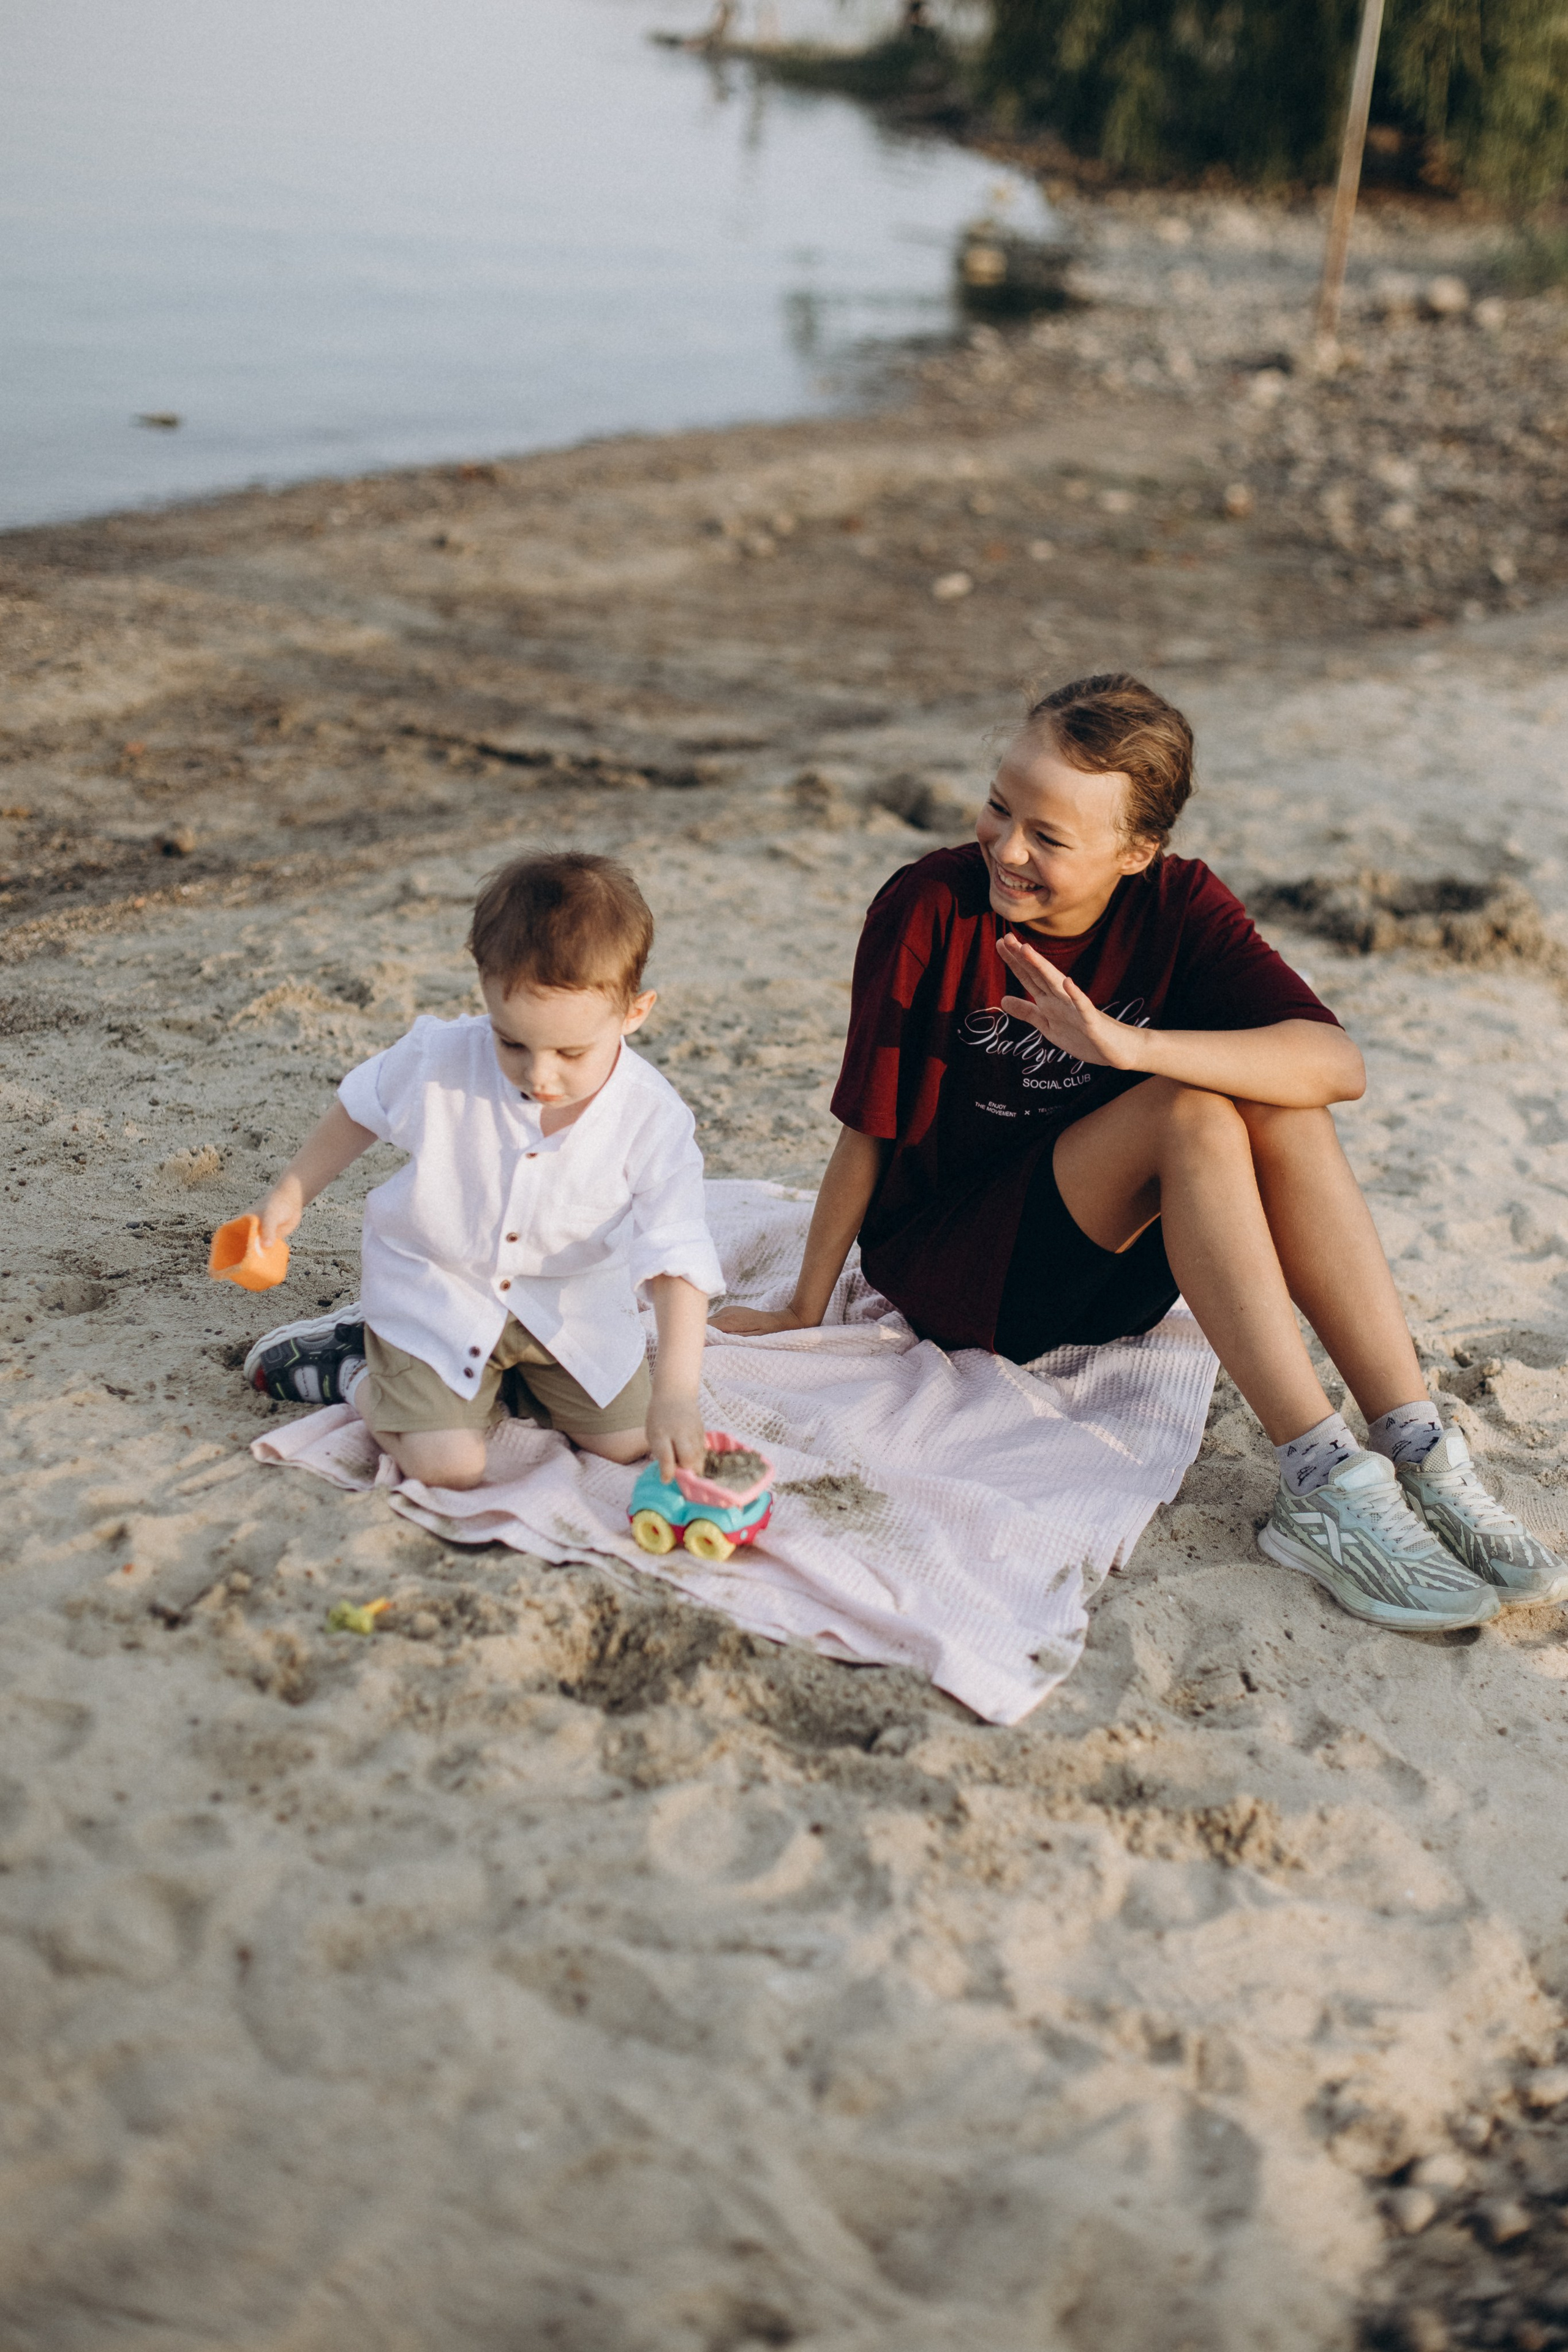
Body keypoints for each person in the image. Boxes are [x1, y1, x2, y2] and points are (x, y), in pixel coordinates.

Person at [714, 673, 1568, 1635]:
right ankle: (1319, 1478)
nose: (1009, 848)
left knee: (1280, 1101)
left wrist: (1126, 1046)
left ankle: (1416, 1447)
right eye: (1000, 807)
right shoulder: (932, 908)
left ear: (1136, 852)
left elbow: (1339, 1065)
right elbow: (868, 1126)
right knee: (1191, 1113)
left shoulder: (1178, 904)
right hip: (959, 1272)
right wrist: (804, 1303)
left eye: (1050, 837)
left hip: (1110, 1276)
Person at [239, 852, 721, 1491]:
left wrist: (677, 1394)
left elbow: (676, 1252)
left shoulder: (651, 1115)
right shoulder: (440, 1058)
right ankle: (353, 1367)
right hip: (442, 1290)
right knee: (450, 1467)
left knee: (627, 1441)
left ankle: (497, 1386)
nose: (539, 1075)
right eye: (511, 1041)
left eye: (571, 1052)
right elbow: (361, 1109)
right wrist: (290, 1194)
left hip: (566, 1309)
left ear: (634, 1012)